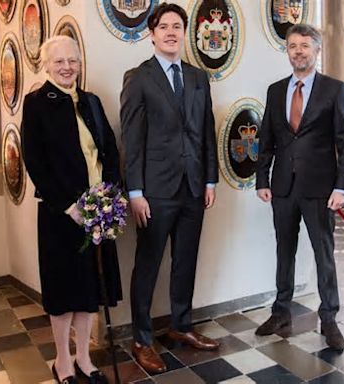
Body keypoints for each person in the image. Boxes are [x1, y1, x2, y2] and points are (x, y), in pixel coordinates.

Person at [120, 2, 219, 374]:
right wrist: (135, 192)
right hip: (155, 191)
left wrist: (210, 179)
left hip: (194, 187)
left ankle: (181, 326)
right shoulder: (139, 77)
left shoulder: (197, 77)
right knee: (147, 265)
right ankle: (142, 339)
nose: (172, 32)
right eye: (165, 26)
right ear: (152, 32)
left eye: (178, 26)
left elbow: (206, 131)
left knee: (186, 262)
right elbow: (130, 139)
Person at [22, 35, 121, 383]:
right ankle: (62, 361)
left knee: (88, 290)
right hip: (59, 215)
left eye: (73, 61)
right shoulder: (36, 103)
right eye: (60, 61)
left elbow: (108, 151)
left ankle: (84, 359)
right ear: (47, 64)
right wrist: (67, 205)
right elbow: (34, 161)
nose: (67, 67)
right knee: (63, 292)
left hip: (96, 211)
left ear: (80, 64)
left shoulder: (91, 102)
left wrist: (109, 197)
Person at [255, 24, 344, 351]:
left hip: (320, 188)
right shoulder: (274, 90)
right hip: (282, 186)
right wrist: (262, 179)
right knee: (284, 251)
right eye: (292, 46)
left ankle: (329, 318)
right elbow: (265, 140)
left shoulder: (334, 89)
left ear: (316, 50)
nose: (298, 51)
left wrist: (343, 186)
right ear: (288, 51)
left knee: (324, 253)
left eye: (304, 46)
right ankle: (281, 310)